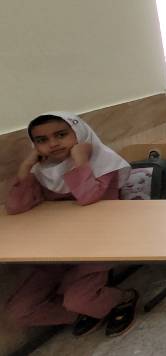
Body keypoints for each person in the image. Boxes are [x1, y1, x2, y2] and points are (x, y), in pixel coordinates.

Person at [6, 113, 139, 338]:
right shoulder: (42, 170)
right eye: (42, 140)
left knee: (77, 299)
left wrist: (81, 162)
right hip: (52, 252)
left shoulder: (102, 162)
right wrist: (26, 167)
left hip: (95, 247)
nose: (53, 144)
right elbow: (16, 207)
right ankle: (87, 312)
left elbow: (88, 198)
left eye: (61, 135)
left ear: (79, 133)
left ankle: (122, 299)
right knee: (18, 312)